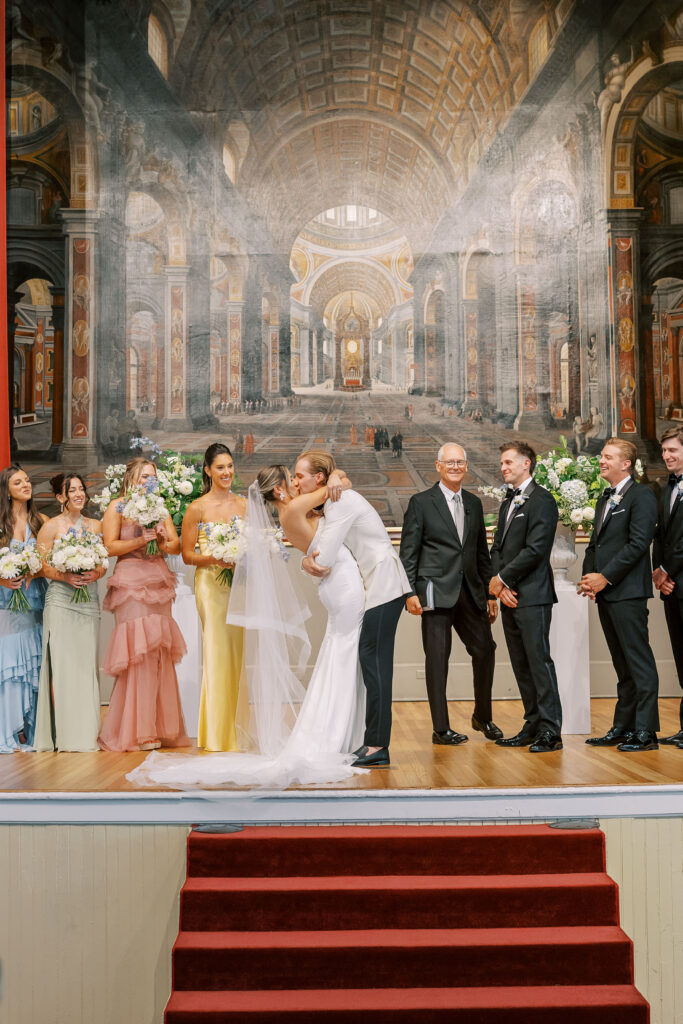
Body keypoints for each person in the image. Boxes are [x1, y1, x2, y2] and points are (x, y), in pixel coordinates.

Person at [126, 463, 364, 789]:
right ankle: (223, 733)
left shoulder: (291, 511)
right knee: (223, 655)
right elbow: (335, 499)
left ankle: (323, 727)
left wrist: (338, 477)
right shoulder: (293, 509)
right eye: (291, 479)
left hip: (318, 586)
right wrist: (336, 478)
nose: (296, 483)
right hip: (233, 586)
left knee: (326, 656)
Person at [300, 450, 411, 768]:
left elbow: (322, 561)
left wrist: (307, 561)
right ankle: (373, 741)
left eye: (300, 475)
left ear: (319, 478)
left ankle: (378, 746)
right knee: (372, 663)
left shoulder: (338, 502)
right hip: (377, 587)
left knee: (376, 666)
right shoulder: (335, 496)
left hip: (384, 586)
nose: (296, 482)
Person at [400, 444, 501, 746]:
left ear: (466, 467)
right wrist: (409, 592)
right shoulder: (421, 502)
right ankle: (441, 729)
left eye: (460, 462)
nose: (456, 466)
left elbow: (481, 553)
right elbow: (408, 552)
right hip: (433, 592)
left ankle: (482, 717)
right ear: (438, 466)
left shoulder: (473, 502)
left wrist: (491, 594)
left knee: (485, 650)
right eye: (450, 462)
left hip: (471, 592)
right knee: (437, 660)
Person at [98, 457, 188, 752]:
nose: (148, 482)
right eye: (143, 476)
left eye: (152, 477)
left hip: (158, 580)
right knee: (137, 652)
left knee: (157, 651)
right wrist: (140, 541)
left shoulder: (159, 507)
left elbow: (175, 545)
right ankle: (136, 730)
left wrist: (161, 540)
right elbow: (109, 547)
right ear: (130, 478)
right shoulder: (117, 507)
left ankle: (159, 727)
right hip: (130, 581)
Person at [580, 438, 659, 751]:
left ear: (626, 463)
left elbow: (638, 544)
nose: (601, 461)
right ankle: (622, 727)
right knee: (622, 664)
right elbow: (595, 544)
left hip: (628, 592)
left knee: (639, 662)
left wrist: (605, 577)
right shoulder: (605, 497)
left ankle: (646, 732)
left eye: (607, 457)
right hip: (606, 593)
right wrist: (589, 578)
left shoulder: (642, 496)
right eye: (602, 456)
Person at [489, 442, 563, 753]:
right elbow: (497, 549)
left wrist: (503, 579)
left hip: (532, 594)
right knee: (520, 663)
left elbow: (537, 549)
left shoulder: (542, 500)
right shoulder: (508, 501)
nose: (503, 467)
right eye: (502, 463)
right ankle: (532, 723)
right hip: (508, 596)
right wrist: (499, 587)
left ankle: (551, 730)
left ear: (526, 464)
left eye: (508, 462)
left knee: (538, 660)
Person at [34, 474, 107, 752]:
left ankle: (86, 734)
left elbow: (103, 563)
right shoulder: (51, 527)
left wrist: (94, 571)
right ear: (60, 497)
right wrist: (65, 577)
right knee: (62, 669)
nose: (79, 494)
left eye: (81, 489)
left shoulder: (95, 525)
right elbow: (42, 567)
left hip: (88, 600)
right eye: (72, 490)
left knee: (85, 666)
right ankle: (62, 735)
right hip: (61, 601)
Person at [181, 443, 246, 751]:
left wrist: (242, 556)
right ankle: (216, 736)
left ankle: (233, 730)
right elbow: (187, 555)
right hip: (210, 586)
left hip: (238, 586)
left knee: (236, 654)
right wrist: (216, 559)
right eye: (220, 467)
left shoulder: (244, 505)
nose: (227, 472)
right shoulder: (198, 508)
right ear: (207, 470)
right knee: (217, 653)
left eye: (230, 466)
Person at [0, 465, 47, 752]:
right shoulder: (0, 524)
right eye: (18, 482)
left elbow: (49, 561)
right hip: (6, 604)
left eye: (28, 481)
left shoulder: (40, 521)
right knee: (11, 664)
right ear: (7, 489)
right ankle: (8, 730)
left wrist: (34, 572)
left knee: (33, 663)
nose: (26, 485)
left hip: (34, 603)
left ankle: (31, 732)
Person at [652, 426, 683, 748]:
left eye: (673, 450)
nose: (667, 456)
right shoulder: (666, 488)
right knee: (681, 658)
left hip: (678, 579)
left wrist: (666, 570)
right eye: (664, 451)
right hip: (672, 587)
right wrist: (658, 571)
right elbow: (660, 536)